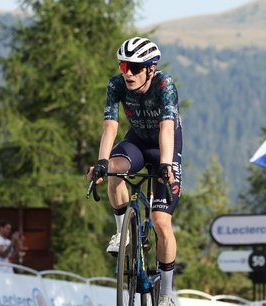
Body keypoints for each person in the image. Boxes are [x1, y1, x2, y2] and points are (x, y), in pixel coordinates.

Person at [87, 37, 181, 306]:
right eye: (123, 66)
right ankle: (122, 232)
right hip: (137, 141)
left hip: (165, 145)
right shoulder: (116, 84)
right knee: (112, 170)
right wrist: (102, 162)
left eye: (135, 68)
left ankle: (167, 294)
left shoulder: (165, 84)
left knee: (161, 222)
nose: (127, 73)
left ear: (151, 69)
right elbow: (110, 127)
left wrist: (165, 164)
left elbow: (166, 128)